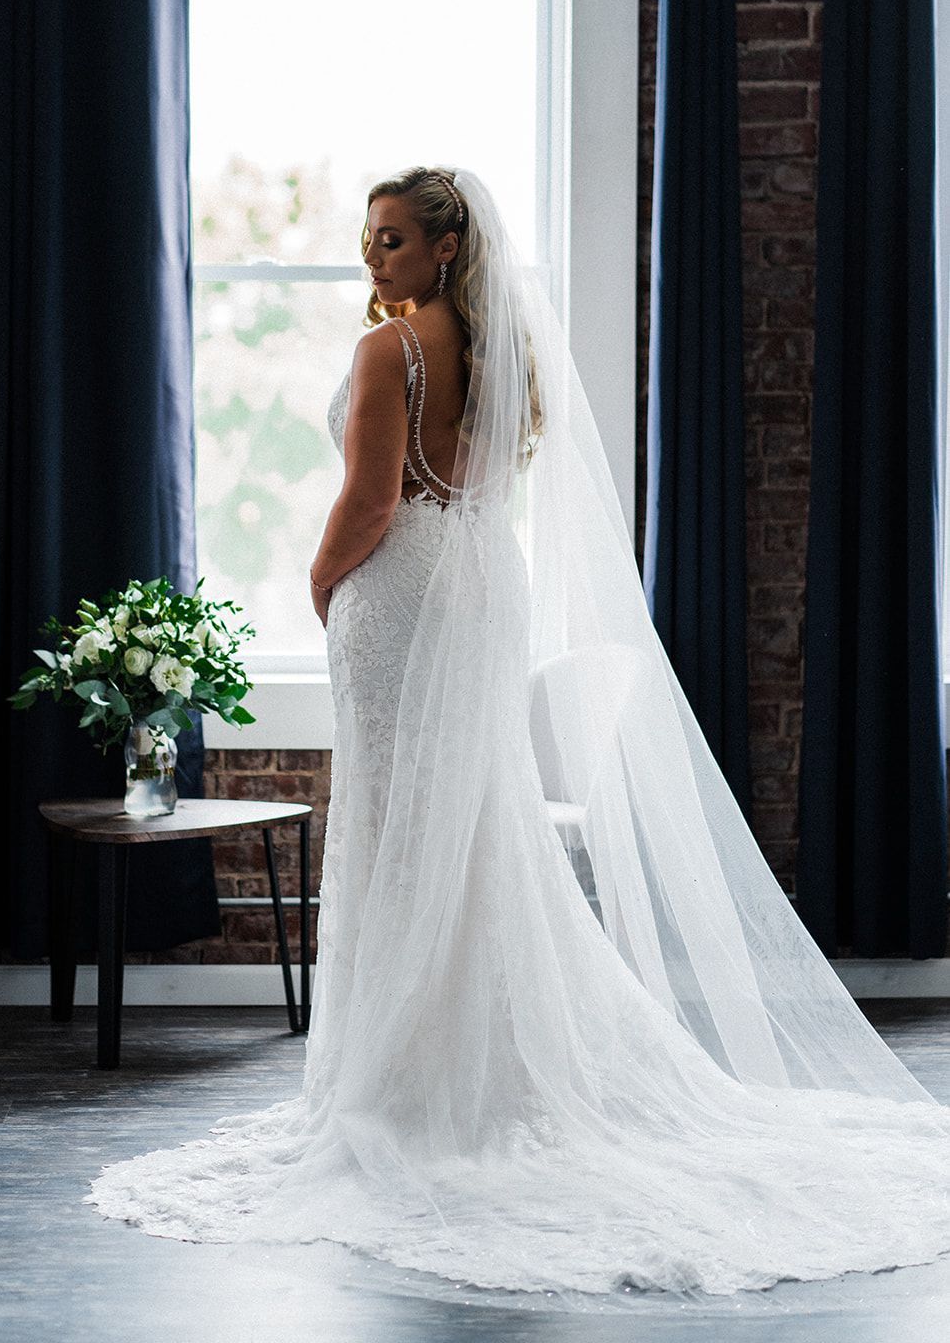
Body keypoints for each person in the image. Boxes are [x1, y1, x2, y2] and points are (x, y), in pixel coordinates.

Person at [87, 165, 950, 1298]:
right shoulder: (506, 353)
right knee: (472, 816)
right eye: (367, 240)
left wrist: (317, 577)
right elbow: (473, 480)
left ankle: (408, 1078)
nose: (371, 259)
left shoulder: (386, 352)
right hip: (485, 578)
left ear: (445, 246)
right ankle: (472, 1055)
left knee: (405, 822)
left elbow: (371, 501)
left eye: (390, 240)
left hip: (402, 593)